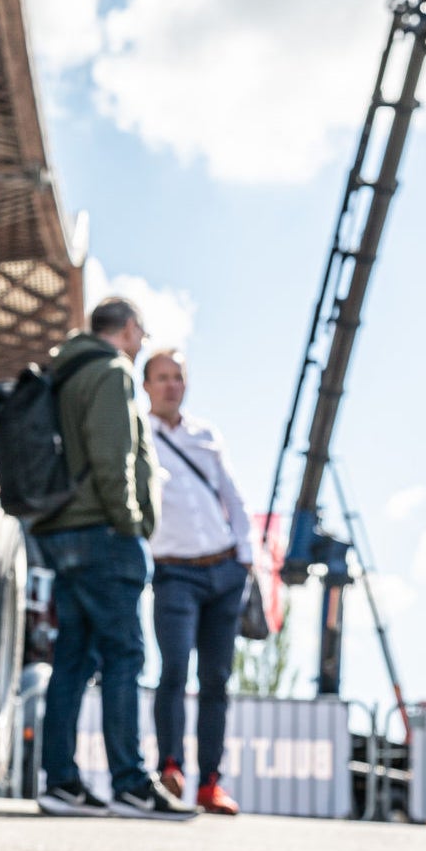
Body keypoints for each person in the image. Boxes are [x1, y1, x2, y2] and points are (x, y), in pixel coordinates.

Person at [32, 298, 196, 820]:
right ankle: (129, 781)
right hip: (103, 534)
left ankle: (61, 782)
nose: (142, 341)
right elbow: (112, 458)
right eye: (141, 333)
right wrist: (129, 525)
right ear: (126, 330)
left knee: (74, 660)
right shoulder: (109, 372)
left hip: (63, 531)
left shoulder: (66, 371)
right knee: (125, 657)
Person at [143, 349, 252, 816]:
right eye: (162, 378)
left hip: (224, 571)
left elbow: (234, 498)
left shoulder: (206, 434)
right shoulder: (137, 433)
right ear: (146, 385)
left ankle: (210, 782)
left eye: (178, 378)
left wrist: (244, 560)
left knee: (217, 681)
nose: (171, 385)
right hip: (174, 572)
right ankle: (171, 767)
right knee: (172, 673)